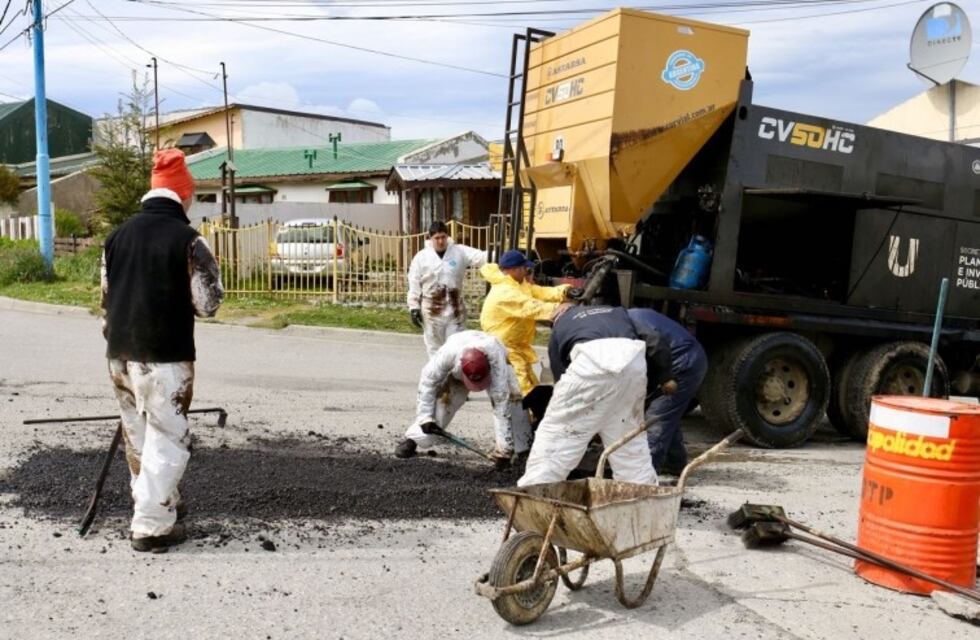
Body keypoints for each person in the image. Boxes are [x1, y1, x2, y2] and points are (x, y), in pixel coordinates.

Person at [101, 148, 224, 552]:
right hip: (165, 355)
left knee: (137, 435)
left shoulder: (115, 237)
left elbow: (106, 299)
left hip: (119, 353)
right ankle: (152, 526)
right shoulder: (189, 240)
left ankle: (156, 501)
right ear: (183, 196)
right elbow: (207, 304)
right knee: (168, 436)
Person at [518, 305, 676, 488]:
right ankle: (643, 498)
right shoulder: (617, 312)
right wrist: (666, 376)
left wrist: (583, 419)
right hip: (633, 362)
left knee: (557, 438)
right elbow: (654, 338)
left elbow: (560, 377)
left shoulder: (560, 328)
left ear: (556, 319)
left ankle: (534, 493)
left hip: (590, 362)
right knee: (628, 446)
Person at [395, 330, 532, 463]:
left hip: (496, 363)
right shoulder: (447, 355)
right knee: (444, 401)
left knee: (514, 398)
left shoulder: (495, 357)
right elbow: (427, 383)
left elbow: (500, 401)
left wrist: (504, 450)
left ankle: (522, 449)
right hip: (458, 364)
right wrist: (424, 417)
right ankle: (413, 440)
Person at [628, 308, 708, 476]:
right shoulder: (626, 317)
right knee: (668, 414)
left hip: (683, 362)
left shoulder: (627, 325)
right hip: (684, 357)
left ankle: (645, 476)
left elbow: (656, 343)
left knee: (657, 418)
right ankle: (675, 464)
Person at [479, 250, 570, 395]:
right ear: (514, 269)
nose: (527, 271)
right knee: (522, 386)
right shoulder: (505, 292)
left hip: (516, 345)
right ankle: (528, 415)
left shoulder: (517, 284)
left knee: (531, 383)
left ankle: (536, 414)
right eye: (524, 268)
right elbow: (531, 307)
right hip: (504, 346)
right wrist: (559, 309)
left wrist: (565, 292)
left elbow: (540, 292)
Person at [407, 221, 487, 357]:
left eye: (443, 237)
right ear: (430, 238)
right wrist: (413, 307)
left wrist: (504, 255)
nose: (440, 241)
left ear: (447, 237)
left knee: (455, 348)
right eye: (437, 238)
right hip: (431, 310)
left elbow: (482, 257)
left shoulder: (459, 252)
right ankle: (438, 377)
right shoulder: (422, 257)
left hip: (454, 309)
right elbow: (413, 282)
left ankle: (454, 377)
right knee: (435, 349)